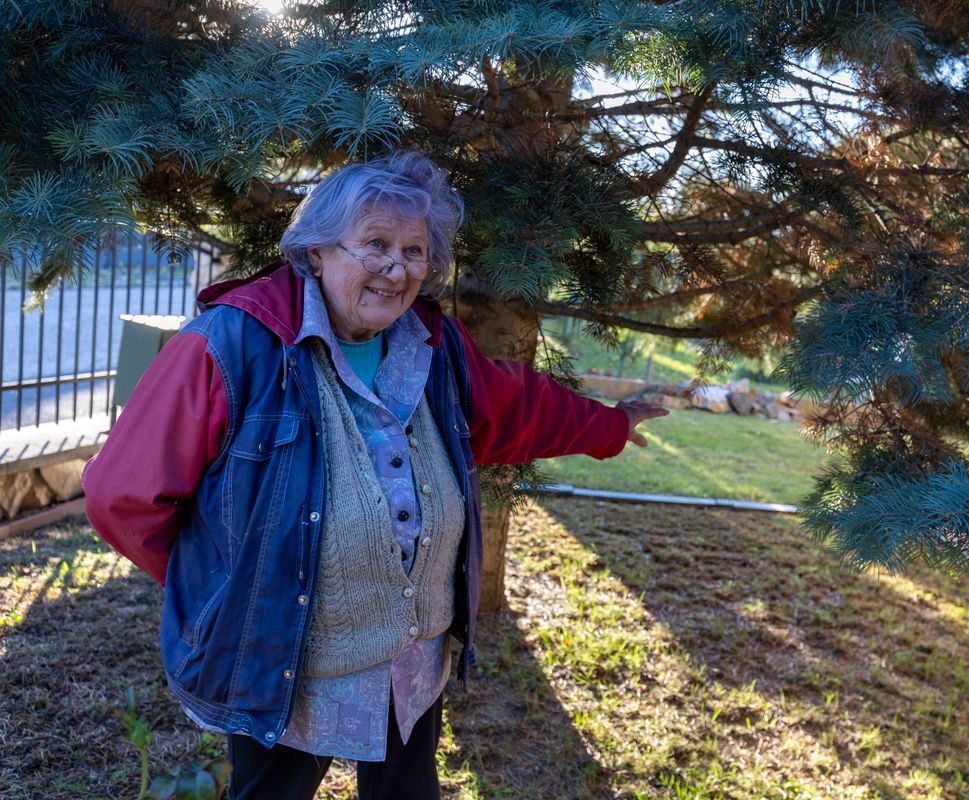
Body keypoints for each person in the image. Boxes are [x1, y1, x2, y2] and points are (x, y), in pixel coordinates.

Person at [83, 151, 666, 800]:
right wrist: (227, 584)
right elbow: (121, 495)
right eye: (377, 245)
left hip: (411, 663)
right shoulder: (231, 344)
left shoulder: (428, 344)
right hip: (287, 665)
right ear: (315, 252)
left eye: (415, 250)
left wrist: (610, 426)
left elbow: (512, 406)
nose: (398, 268)